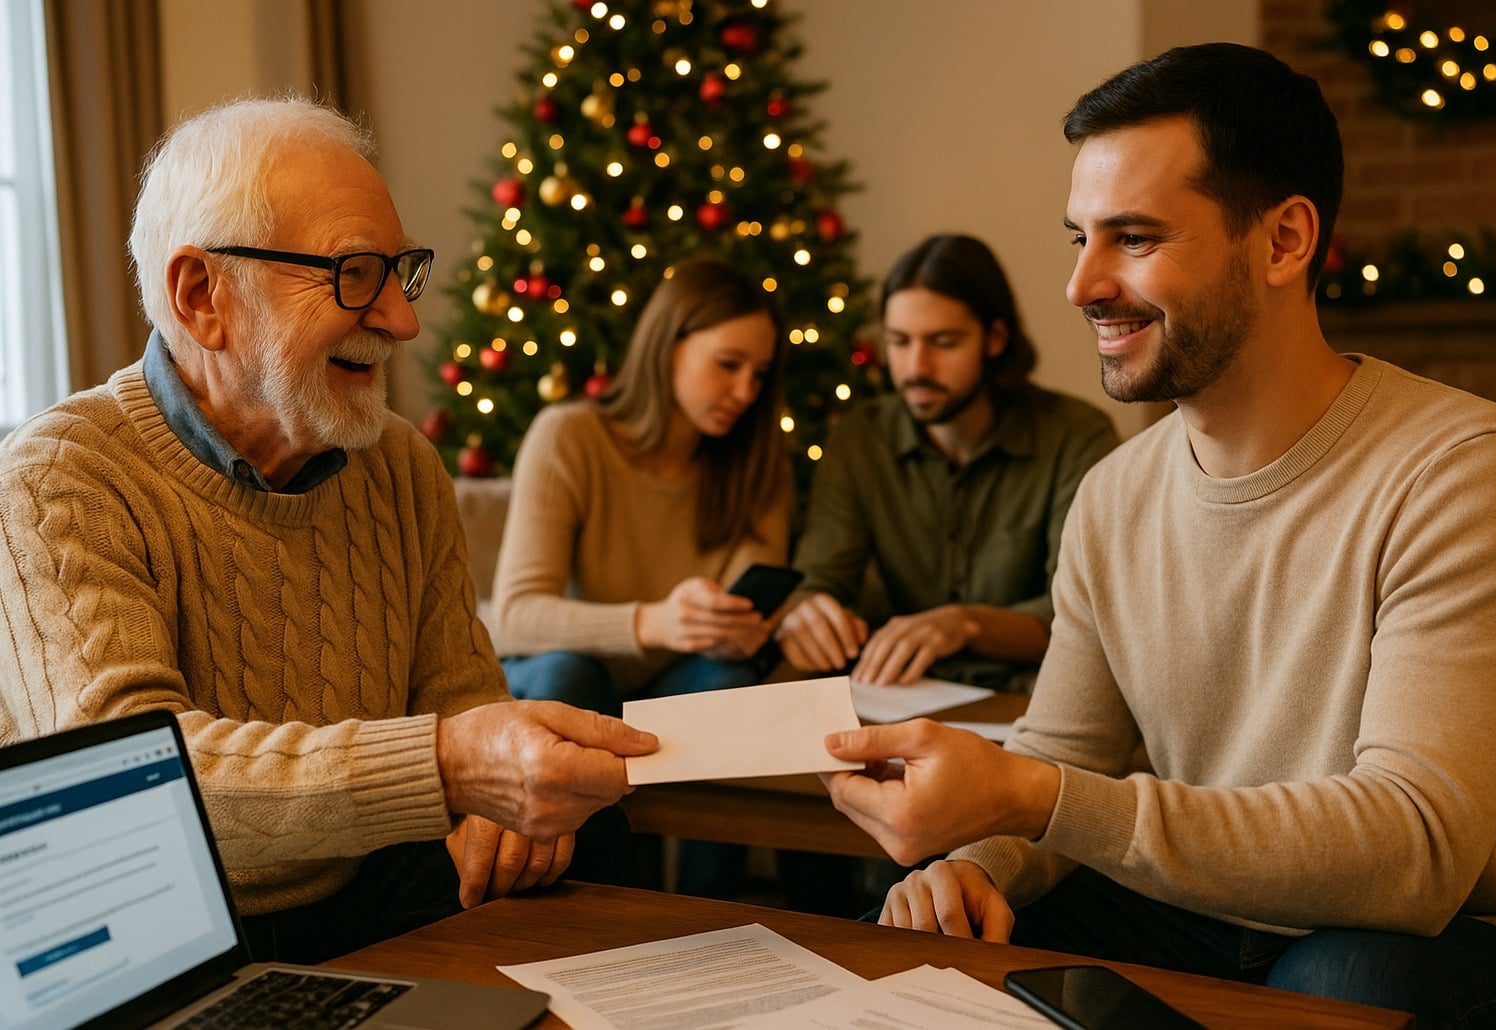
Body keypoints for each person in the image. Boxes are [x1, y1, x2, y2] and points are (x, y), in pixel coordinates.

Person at [820, 44, 1496, 1025]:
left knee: (1346, 984)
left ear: (1285, 242)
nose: (1080, 285)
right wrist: (972, 863)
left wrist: (1029, 798)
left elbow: (1415, 850)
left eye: (1135, 238)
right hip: (1199, 908)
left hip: (1431, 937)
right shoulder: (1114, 494)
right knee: (919, 944)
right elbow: (1066, 754)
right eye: (1079, 237)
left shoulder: (1463, 465)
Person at [0, 97, 657, 963]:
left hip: (371, 891)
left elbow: (462, 692)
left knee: (604, 870)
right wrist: (454, 767)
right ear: (202, 296)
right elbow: (137, 795)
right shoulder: (61, 478)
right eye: (353, 273)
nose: (401, 320)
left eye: (399, 271)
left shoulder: (399, 466)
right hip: (157, 938)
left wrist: (505, 794)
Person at [487, 258, 791, 899]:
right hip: (572, 675)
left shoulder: (755, 463)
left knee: (730, 684)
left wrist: (738, 630)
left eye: (759, 375)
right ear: (667, 345)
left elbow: (743, 613)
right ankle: (595, 901)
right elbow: (515, 615)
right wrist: (653, 621)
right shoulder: (570, 436)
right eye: (728, 364)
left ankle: (715, 913)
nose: (745, 391)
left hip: (678, 682)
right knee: (568, 677)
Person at [775, 234, 1117, 690]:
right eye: (899, 341)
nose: (917, 367)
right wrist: (808, 612)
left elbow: (1085, 616)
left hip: (1031, 697)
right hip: (900, 695)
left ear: (995, 338)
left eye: (943, 342)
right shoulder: (860, 439)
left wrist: (966, 624)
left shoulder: (1075, 437)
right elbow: (819, 579)